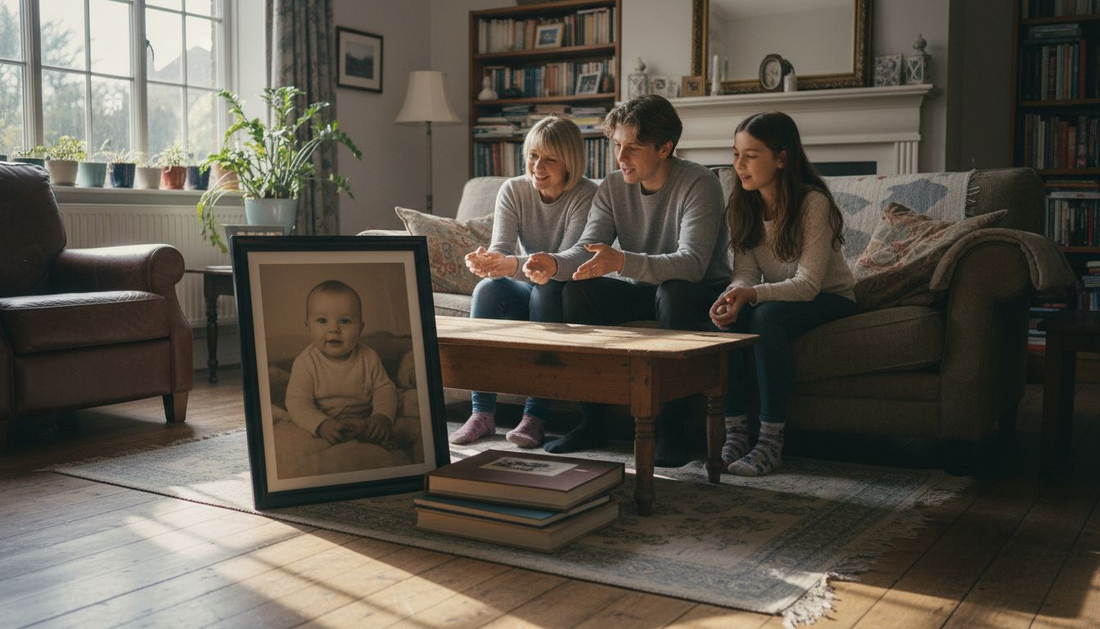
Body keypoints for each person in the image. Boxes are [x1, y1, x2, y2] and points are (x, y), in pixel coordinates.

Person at [524, 94, 731, 464]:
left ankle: (672, 428)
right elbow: (588, 251)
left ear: (665, 148)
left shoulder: (700, 184)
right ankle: (594, 420)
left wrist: (621, 261)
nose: (620, 158)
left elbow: (693, 264)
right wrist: (554, 263)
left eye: (632, 148)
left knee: (674, 293)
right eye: (617, 145)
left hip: (697, 291)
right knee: (578, 292)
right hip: (644, 288)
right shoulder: (613, 187)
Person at [710, 111, 857, 476]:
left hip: (831, 297)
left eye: (751, 155)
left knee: (765, 315)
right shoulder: (743, 202)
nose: (739, 165)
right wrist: (733, 293)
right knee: (731, 316)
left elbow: (808, 284)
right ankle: (735, 434)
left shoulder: (812, 203)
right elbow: (745, 272)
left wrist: (752, 295)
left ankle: (771, 441)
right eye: (735, 154)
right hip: (782, 295)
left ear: (781, 158)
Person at [449, 115, 598, 448]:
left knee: (546, 291)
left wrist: (512, 264)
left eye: (549, 159)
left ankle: (535, 417)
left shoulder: (587, 194)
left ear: (569, 162)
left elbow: (572, 258)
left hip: (565, 284)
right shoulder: (513, 190)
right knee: (487, 289)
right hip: (528, 281)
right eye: (532, 156)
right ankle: (481, 414)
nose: (537, 166)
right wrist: (488, 262)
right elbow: (502, 250)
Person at [285, 279, 398, 446]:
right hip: (326, 422)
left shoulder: (369, 357)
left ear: (360, 328)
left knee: (397, 433)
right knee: (297, 443)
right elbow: (297, 402)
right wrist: (321, 424)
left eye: (344, 321)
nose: (334, 329)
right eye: (322, 321)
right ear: (308, 327)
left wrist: (382, 416)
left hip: (365, 421)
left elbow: (385, 389)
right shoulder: (306, 363)